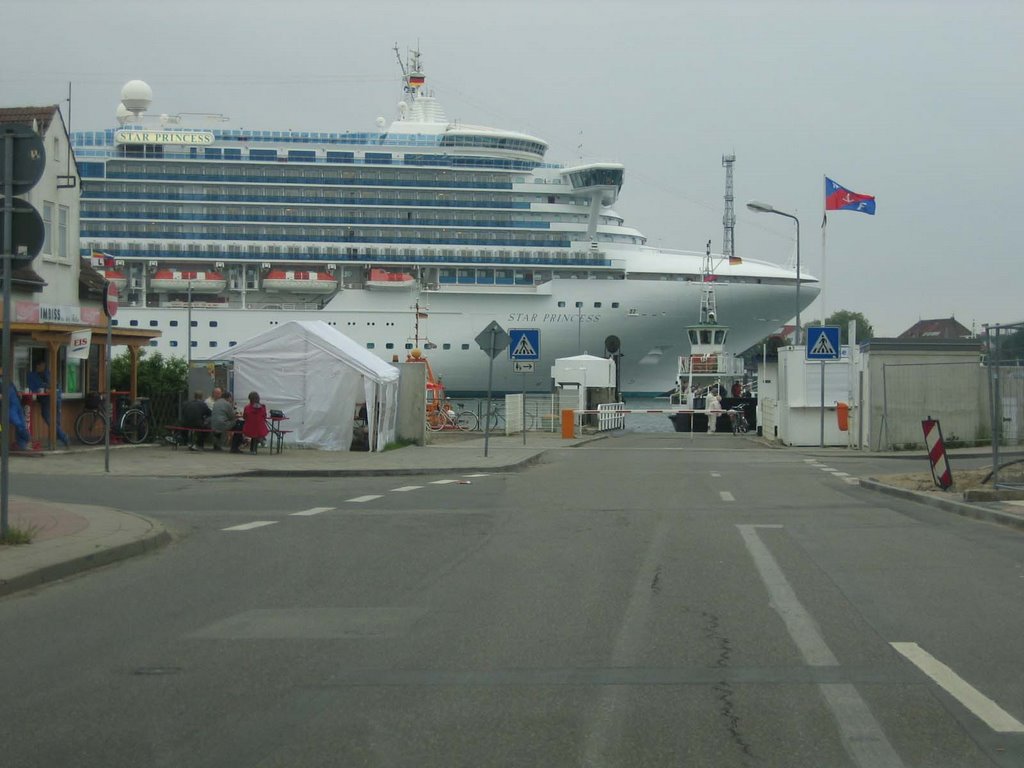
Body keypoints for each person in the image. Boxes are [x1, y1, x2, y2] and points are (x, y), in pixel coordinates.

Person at [27, 360, 70, 448]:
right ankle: (60, 439)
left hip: (51, 398)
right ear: (38, 365)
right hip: (53, 398)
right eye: (42, 365)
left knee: (50, 418)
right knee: (54, 420)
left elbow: (53, 386)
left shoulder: (47, 374)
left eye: (44, 365)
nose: (44, 367)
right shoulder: (36, 375)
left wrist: (47, 389)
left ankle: (62, 437)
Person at [1, 367, 31, 451]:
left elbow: (13, 389)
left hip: (16, 403)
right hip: (8, 406)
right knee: (18, 424)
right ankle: (28, 438)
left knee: (21, 424)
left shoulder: (7, 379)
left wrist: (18, 394)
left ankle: (22, 445)